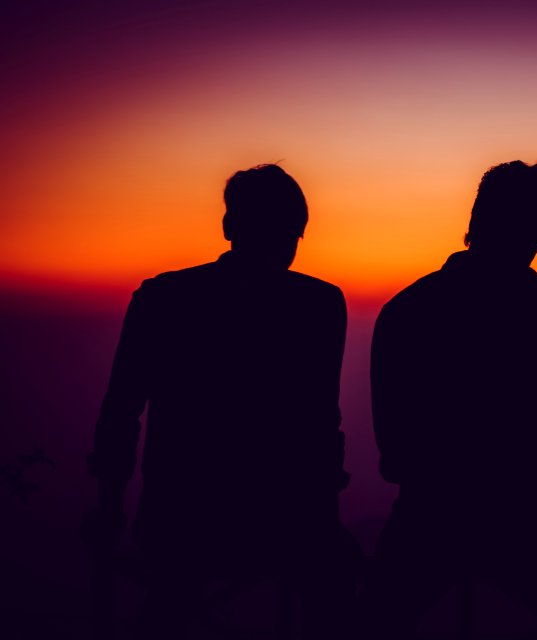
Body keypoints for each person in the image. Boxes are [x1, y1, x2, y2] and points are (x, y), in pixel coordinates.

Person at [83, 164, 357, 637]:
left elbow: (121, 411)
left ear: (229, 226)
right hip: (286, 521)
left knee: (171, 606)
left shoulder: (161, 298)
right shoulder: (319, 305)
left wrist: (109, 508)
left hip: (178, 519)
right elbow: (320, 423)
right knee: (341, 595)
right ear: (295, 233)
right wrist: (321, 519)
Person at [361, 161, 537, 637]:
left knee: (377, 618)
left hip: (430, 504)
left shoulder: (409, 306)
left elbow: (391, 440)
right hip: (530, 499)